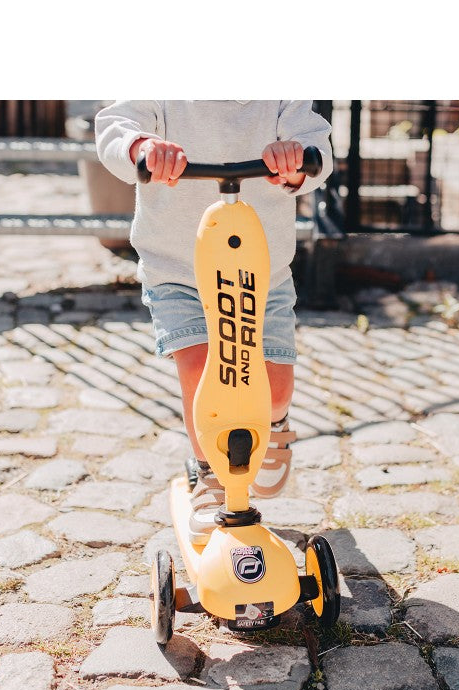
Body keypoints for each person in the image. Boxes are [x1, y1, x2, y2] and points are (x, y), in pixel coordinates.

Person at [95, 101, 333, 542]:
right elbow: (114, 125)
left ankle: (275, 424)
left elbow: (317, 144)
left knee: (275, 388)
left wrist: (297, 160)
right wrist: (141, 147)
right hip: (178, 269)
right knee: (201, 370)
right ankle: (210, 474)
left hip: (260, 273)